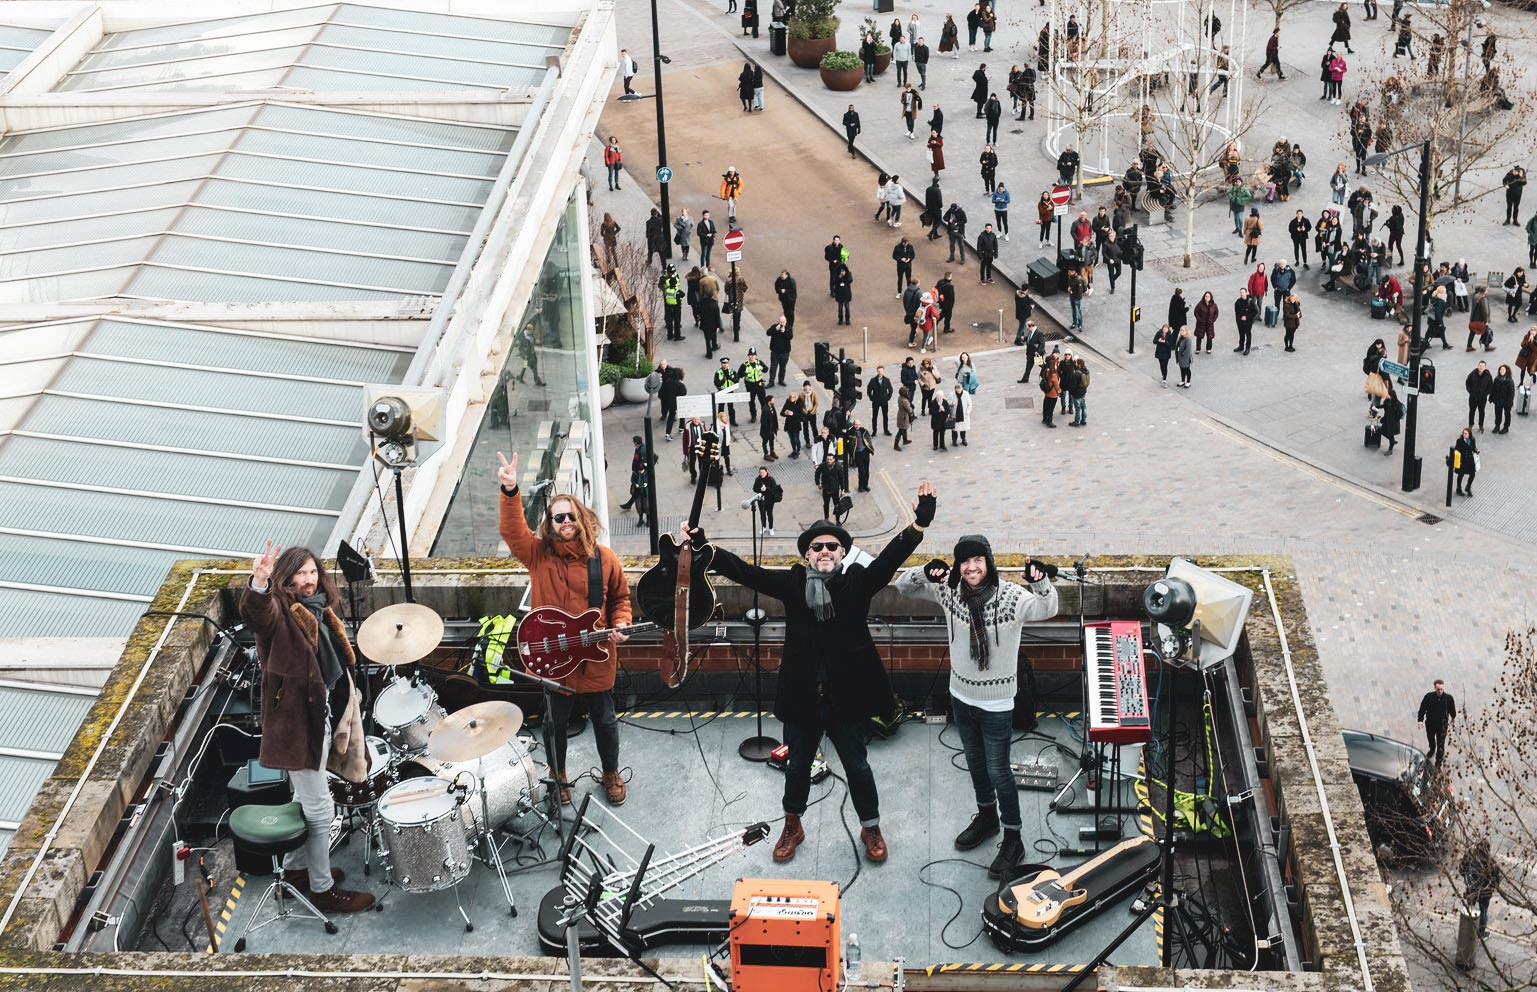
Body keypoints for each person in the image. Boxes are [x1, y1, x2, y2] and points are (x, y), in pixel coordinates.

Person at [688, 486, 935, 864]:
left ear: (842, 553)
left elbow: (888, 561)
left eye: (832, 546)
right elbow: (746, 573)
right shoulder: (793, 584)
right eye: (817, 546)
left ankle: (870, 827)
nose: (824, 551)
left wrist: (918, 525)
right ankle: (793, 825)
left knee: (857, 766)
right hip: (803, 696)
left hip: (846, 698)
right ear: (807, 554)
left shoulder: (857, 582)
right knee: (797, 767)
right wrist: (706, 548)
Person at [894, 539, 1058, 877]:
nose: (971, 567)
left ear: (989, 562)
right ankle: (987, 818)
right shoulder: (949, 592)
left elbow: (1047, 608)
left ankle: (1013, 837)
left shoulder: (1010, 597)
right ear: (958, 566)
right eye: (965, 562)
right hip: (960, 696)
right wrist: (925, 571)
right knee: (975, 764)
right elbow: (903, 587)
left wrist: (1040, 581)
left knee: (999, 771)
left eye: (978, 560)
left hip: (997, 703)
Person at [240, 543, 375, 914]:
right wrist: (259, 582)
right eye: (300, 573)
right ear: (287, 578)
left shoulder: (320, 609)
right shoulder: (279, 612)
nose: (308, 579)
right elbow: (258, 615)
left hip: (321, 719)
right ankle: (322, 889)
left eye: (312, 572)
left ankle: (296, 871)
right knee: (321, 809)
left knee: (304, 800)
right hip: (296, 728)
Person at [498, 454, 632, 805]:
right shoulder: (537, 555)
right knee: (554, 723)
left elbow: (620, 598)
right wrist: (510, 490)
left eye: (571, 515)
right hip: (555, 658)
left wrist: (621, 623)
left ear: (581, 519)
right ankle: (558, 777)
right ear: (551, 523)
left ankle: (611, 772)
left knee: (605, 720)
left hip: (596, 655)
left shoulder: (605, 558)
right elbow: (512, 531)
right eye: (559, 517)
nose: (566, 521)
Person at [1460, 838, 1501, 938]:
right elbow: (1496, 881)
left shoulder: (1469, 857)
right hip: (1485, 893)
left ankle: (1466, 930)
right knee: (1483, 912)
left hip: (1471, 890)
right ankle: (1481, 933)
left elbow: (1461, 870)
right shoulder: (1491, 863)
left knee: (1469, 909)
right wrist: (1492, 887)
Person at [1416, 678, 1456, 764]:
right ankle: (1432, 749)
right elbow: (1422, 709)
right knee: (1431, 739)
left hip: (1442, 726)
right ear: (1435, 688)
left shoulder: (1448, 698)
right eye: (1438, 689)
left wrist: (1453, 718)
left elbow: (1452, 710)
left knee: (1440, 745)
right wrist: (1420, 720)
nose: (1440, 691)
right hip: (1430, 724)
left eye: (1441, 689)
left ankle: (1438, 762)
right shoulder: (1428, 697)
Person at [752, 466, 782, 535]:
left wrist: (766, 489)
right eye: (760, 472)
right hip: (761, 501)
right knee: (762, 515)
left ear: (766, 472)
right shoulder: (758, 479)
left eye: (763, 472)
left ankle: (771, 528)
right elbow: (754, 489)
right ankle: (764, 527)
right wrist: (760, 489)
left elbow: (774, 490)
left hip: (769, 501)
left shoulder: (771, 479)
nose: (761, 474)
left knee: (769, 514)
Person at [1465, 360, 1493, 432]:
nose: (1481, 367)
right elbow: (1467, 383)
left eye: (1482, 366)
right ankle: (1471, 425)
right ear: (1478, 366)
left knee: (1481, 412)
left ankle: (1481, 425)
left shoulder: (1488, 376)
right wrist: (1470, 392)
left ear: (1485, 367)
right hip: (1473, 398)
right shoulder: (1472, 374)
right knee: (1472, 412)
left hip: (1482, 399)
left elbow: (1490, 386)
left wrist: (1485, 394)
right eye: (1480, 366)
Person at [1452, 426, 1478, 497]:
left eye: (1466, 433)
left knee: (1472, 474)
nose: (1464, 434)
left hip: (1470, 460)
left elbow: (1473, 448)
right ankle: (1458, 488)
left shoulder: (1472, 440)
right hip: (1462, 460)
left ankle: (1468, 487)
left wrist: (1476, 450)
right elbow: (1457, 450)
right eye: (1463, 433)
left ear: (1469, 434)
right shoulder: (1459, 441)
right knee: (1461, 474)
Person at [868, 365, 893, 435]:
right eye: (879, 371)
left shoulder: (887, 380)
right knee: (874, 417)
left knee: (885, 416)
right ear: (877, 371)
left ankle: (886, 430)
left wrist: (887, 398)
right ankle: (874, 431)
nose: (880, 372)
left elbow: (890, 390)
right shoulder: (873, 380)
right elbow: (869, 390)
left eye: (881, 371)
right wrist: (871, 398)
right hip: (875, 401)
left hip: (884, 401)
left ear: (883, 371)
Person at [1490, 364, 1515, 434]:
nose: (1501, 371)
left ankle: (1506, 427)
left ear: (1506, 371)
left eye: (1503, 370)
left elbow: (1511, 393)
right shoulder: (1496, 379)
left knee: (1507, 415)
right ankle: (1497, 426)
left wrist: (1509, 403)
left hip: (1506, 402)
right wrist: (1491, 398)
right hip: (1498, 401)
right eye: (1500, 369)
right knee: (1497, 414)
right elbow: (1493, 389)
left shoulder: (1509, 381)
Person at [1379, 383, 1403, 454]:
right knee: (1383, 432)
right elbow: (1384, 407)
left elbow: (1400, 414)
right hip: (1387, 421)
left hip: (1392, 423)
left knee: (1390, 435)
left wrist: (1395, 419)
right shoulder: (1387, 402)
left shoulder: (1397, 404)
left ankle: (1390, 448)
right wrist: (1377, 406)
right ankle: (1392, 441)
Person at [1233, 288, 1256, 354]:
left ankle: (1247, 348)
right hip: (1240, 322)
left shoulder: (1250, 301)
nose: (1242, 294)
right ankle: (1241, 346)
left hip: (1248, 322)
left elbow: (1255, 312)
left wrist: (1247, 317)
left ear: (1246, 293)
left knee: (1248, 335)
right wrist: (1238, 320)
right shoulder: (1238, 302)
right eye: (1241, 292)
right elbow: (1236, 311)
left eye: (1243, 292)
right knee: (1241, 335)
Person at [1039, 353, 1060, 427]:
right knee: (1051, 408)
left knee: (1046, 405)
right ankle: (1049, 421)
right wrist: (1059, 391)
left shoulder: (1046, 371)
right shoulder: (1053, 374)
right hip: (1053, 394)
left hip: (1047, 392)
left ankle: (1044, 419)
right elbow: (1057, 385)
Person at [1068, 357, 1089, 425]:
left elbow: (1072, 386)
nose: (1075, 364)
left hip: (1077, 394)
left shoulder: (1076, 374)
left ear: (1079, 365)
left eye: (1076, 363)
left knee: (1078, 409)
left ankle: (1076, 422)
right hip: (1083, 392)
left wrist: (1071, 393)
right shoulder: (1086, 371)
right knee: (1084, 407)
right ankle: (1084, 420)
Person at [895, 384, 915, 450]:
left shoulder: (900, 398)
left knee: (904, 428)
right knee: (901, 430)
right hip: (904, 417)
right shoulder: (905, 401)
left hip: (900, 415)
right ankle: (896, 445)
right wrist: (912, 410)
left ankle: (905, 440)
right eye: (907, 392)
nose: (908, 393)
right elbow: (909, 410)